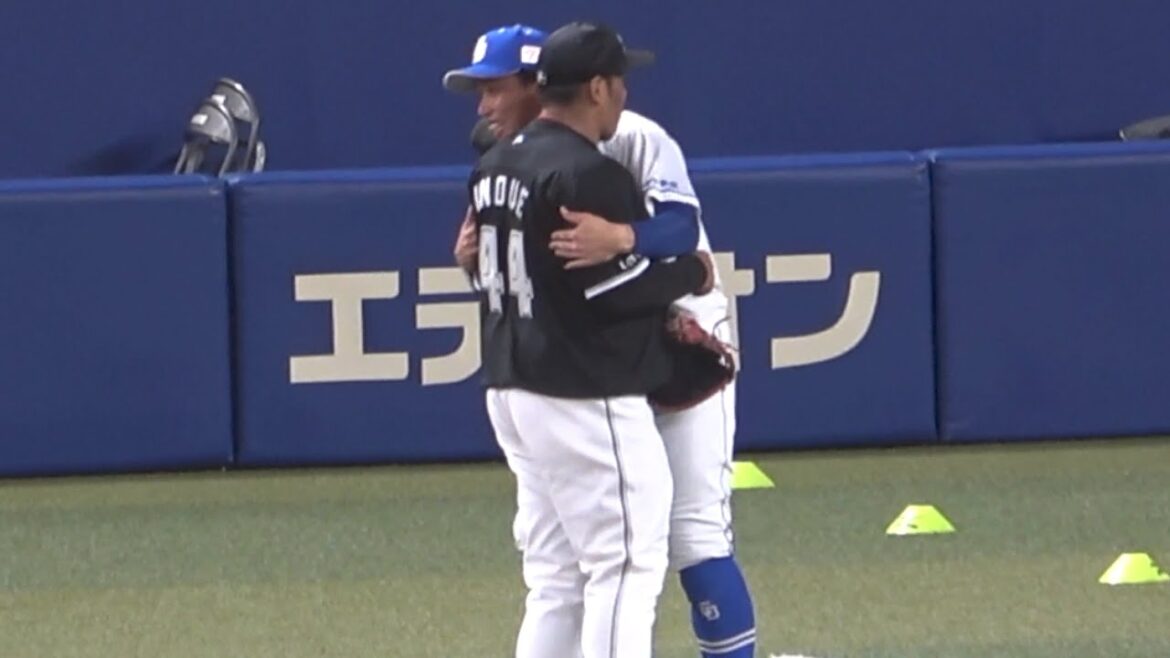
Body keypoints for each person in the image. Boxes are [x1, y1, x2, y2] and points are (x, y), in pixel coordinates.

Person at [444, 23, 758, 658]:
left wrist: (628, 239)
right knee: (622, 562)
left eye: (494, 88)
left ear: (538, 84)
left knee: (654, 545)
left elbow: (680, 225)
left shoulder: (626, 139)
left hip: (632, 342)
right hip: (588, 367)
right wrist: (689, 271)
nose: (484, 106)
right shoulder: (536, 160)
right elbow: (595, 288)